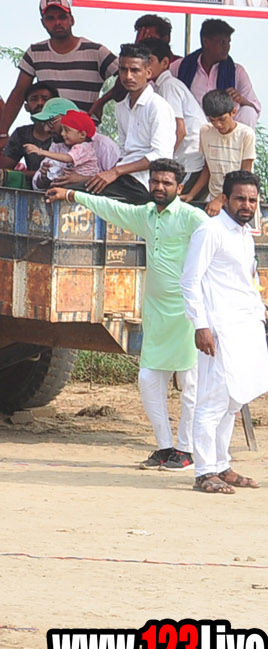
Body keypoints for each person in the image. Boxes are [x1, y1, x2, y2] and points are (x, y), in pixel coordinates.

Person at [49, 158, 206, 471]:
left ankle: (186, 450)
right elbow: (110, 208)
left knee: (190, 383)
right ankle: (165, 448)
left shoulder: (194, 218)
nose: (159, 187)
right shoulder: (145, 215)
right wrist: (71, 195)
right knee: (148, 380)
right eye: (155, 181)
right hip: (156, 311)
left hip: (189, 312)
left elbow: (216, 252)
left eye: (166, 183)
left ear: (180, 187)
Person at [179, 171, 268, 494]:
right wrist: (200, 325)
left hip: (246, 327)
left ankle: (222, 465)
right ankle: (204, 472)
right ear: (225, 199)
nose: (247, 205)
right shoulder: (210, 230)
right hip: (219, 330)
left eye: (252, 200)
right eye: (240, 199)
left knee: (233, 400)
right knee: (213, 400)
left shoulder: (245, 234)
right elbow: (190, 280)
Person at [0, 0, 117, 131]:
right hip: (48, 133)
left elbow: (128, 77)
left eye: (62, 17)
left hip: (83, 134)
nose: (57, 22)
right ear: (43, 22)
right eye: (50, 18)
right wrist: (3, 132)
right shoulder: (35, 52)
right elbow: (19, 92)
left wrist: (102, 102)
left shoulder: (96, 51)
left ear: (72, 20)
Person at [91, 45, 174, 206]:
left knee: (83, 195)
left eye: (135, 70)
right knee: (74, 188)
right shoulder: (121, 107)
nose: (128, 76)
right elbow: (124, 150)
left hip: (146, 183)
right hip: (124, 178)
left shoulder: (158, 106)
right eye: (123, 70)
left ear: (147, 73)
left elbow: (160, 156)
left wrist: (115, 172)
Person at [144, 41, 206, 192]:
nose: (145, 66)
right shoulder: (160, 87)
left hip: (189, 161)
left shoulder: (169, 86)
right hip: (184, 159)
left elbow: (180, 130)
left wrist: (164, 161)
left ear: (165, 63)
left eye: (149, 60)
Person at [177, 19, 262, 128]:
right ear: (206, 42)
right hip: (194, 129)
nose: (227, 47)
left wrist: (241, 100)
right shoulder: (182, 66)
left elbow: (255, 108)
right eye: (222, 42)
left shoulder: (237, 72)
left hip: (225, 131)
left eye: (228, 42)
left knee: (249, 112)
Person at [192, 89, 256, 212]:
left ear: (233, 112)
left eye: (222, 119)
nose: (218, 125)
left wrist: (222, 199)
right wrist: (192, 194)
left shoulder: (246, 134)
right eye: (212, 120)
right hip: (214, 199)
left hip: (239, 201)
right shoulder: (205, 131)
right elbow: (208, 168)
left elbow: (245, 175)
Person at [26, 107, 119, 191]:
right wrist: (44, 177)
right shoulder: (56, 146)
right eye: (44, 124)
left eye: (51, 122)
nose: (46, 129)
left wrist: (40, 151)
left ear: (82, 134)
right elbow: (37, 185)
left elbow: (117, 182)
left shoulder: (102, 146)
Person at [3, 83, 60, 174]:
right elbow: (4, 169)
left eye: (45, 99)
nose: (40, 103)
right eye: (34, 99)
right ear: (26, 107)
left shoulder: (66, 131)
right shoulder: (21, 134)